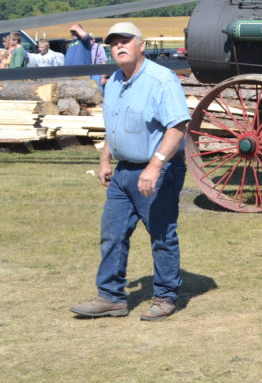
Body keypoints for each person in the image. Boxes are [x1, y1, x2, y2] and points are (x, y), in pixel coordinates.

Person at [70, 22, 190, 322]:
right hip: (123, 172)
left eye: (125, 40)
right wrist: (105, 160)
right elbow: (114, 125)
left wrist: (155, 166)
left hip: (159, 169)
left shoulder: (161, 79)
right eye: (114, 43)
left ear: (141, 45)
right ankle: (111, 297)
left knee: (161, 234)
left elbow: (178, 126)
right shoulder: (113, 81)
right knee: (112, 234)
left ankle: (165, 296)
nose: (119, 46)